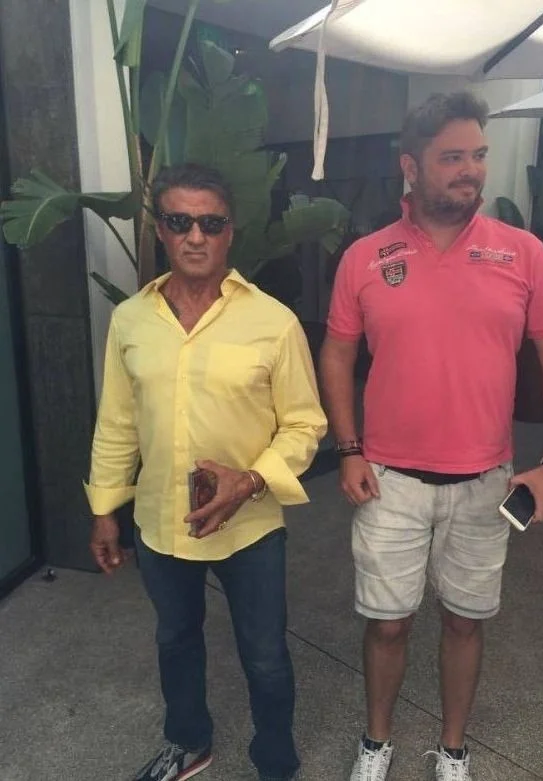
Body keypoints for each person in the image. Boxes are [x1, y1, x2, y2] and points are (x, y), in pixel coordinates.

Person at [319, 92, 543, 781]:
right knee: (387, 623)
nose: (470, 170)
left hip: (487, 482)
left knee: (465, 621)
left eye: (478, 155)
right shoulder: (366, 257)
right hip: (388, 481)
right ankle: (376, 742)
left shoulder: (521, 252)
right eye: (452, 157)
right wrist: (347, 448)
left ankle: (454, 749)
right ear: (411, 166)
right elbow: (337, 353)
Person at [85, 163, 327, 781]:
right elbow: (117, 422)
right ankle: (188, 743)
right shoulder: (131, 320)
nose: (196, 236)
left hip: (250, 527)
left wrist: (249, 480)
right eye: (180, 221)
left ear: (230, 232)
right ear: (160, 230)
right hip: (160, 521)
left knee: (265, 655)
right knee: (175, 640)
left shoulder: (272, 322)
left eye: (211, 223)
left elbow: (305, 425)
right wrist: (104, 511)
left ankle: (275, 762)